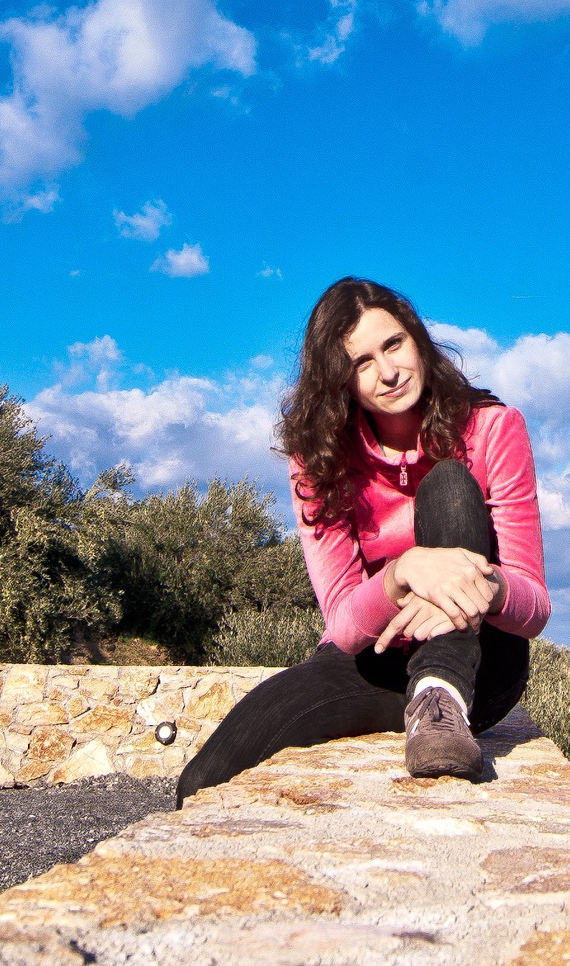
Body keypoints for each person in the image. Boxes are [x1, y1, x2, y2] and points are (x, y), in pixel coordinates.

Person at [177, 276, 550, 796]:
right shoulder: (319, 457)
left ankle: (439, 693)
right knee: (205, 776)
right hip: (375, 661)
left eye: (393, 344)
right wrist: (404, 572)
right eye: (362, 363)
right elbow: (344, 625)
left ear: (418, 339)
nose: (388, 372)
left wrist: (480, 584)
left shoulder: (492, 429)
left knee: (448, 486)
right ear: (340, 381)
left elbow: (534, 608)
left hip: (480, 671)